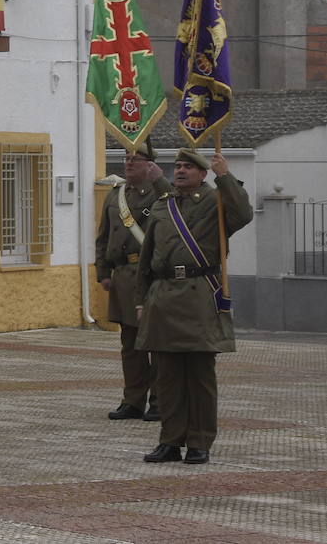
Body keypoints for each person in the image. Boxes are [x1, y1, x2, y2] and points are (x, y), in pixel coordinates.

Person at [135, 148, 252, 466]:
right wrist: (141, 300)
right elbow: (147, 257)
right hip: (163, 296)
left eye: (189, 166)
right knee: (167, 378)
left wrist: (225, 175)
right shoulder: (163, 205)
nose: (181, 171)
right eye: (178, 166)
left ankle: (199, 442)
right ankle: (170, 441)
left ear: (203, 173)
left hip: (199, 293)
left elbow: (243, 213)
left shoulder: (216, 203)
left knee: (200, 377)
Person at [95, 141, 170, 421]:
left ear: (150, 164)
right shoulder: (116, 195)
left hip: (150, 274)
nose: (128, 163)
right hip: (124, 277)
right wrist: (102, 271)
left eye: (136, 160)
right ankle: (133, 399)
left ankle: (160, 400)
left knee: (156, 342)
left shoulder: (160, 194)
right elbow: (103, 236)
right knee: (130, 343)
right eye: (127, 158)